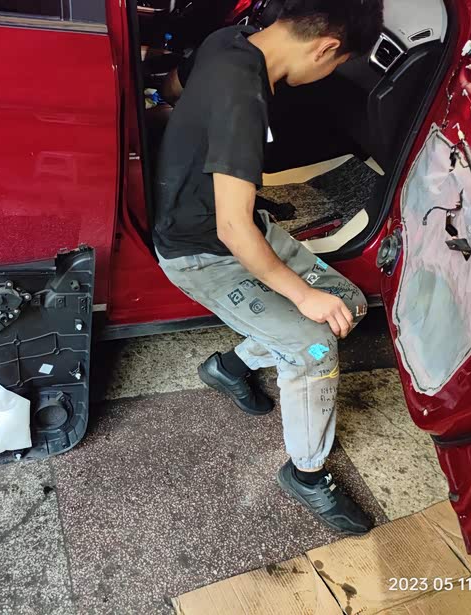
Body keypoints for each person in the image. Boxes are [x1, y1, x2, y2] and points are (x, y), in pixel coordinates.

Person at [153, 0, 384, 534]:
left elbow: (170, 90)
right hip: (202, 253)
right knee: (314, 344)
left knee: (347, 305)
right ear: (327, 48)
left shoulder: (227, 40)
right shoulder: (245, 97)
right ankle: (306, 474)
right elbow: (233, 231)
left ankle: (229, 368)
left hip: (241, 228)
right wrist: (302, 295)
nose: (330, 73)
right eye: (337, 64)